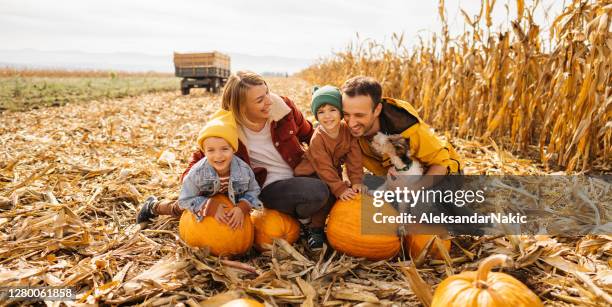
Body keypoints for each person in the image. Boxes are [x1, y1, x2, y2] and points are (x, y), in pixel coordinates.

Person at [179, 71, 334, 249]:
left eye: (267, 92)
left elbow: (310, 135)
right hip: (268, 187)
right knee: (318, 191)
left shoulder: (283, 108)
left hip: (299, 172)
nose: (268, 101)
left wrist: (329, 157)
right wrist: (193, 186)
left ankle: (312, 225)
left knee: (332, 179)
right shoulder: (227, 128)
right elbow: (198, 161)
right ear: (241, 107)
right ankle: (306, 225)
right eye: (259, 100)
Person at [137, 109, 262, 230]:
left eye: (224, 149)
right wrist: (209, 206)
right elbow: (185, 199)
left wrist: (243, 207)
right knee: (178, 208)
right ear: (204, 151)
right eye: (211, 150)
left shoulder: (243, 170)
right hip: (200, 195)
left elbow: (254, 190)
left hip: (230, 196)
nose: (218, 156)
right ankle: (153, 206)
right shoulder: (198, 173)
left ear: (233, 149)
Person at [340, 76, 462, 189]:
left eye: (359, 115)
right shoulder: (346, 129)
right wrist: (347, 179)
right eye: (346, 114)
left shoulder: (408, 128)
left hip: (438, 173)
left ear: (377, 110)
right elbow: (349, 160)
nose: (351, 123)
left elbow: (440, 165)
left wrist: (413, 189)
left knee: (426, 203)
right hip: (395, 177)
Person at [294, 85, 363, 201]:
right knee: (326, 201)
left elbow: (354, 158)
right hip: (311, 175)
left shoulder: (347, 131)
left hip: (331, 173)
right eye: (321, 112)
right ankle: (305, 217)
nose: (327, 116)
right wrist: (340, 188)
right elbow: (323, 167)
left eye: (332, 110)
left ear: (341, 112)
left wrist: (356, 180)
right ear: (316, 116)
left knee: (339, 196)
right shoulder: (318, 139)